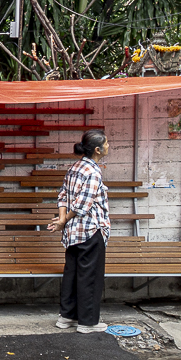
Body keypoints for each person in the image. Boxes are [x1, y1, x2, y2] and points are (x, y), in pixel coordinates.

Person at [48, 130, 111, 334]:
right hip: (90, 230)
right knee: (89, 277)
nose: (108, 146)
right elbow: (83, 205)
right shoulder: (93, 172)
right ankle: (87, 322)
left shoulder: (74, 167)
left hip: (73, 233)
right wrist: (63, 220)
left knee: (72, 274)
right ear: (97, 150)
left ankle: (66, 317)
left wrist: (62, 220)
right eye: (106, 143)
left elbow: (63, 196)